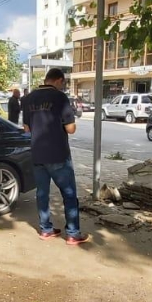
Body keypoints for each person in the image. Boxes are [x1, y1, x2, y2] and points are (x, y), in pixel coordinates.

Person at [22, 68, 88, 245]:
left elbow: (26, 129)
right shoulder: (60, 97)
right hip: (58, 154)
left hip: (37, 154)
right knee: (69, 193)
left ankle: (46, 229)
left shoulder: (28, 98)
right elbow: (70, 129)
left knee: (42, 193)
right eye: (63, 82)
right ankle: (73, 233)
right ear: (59, 80)